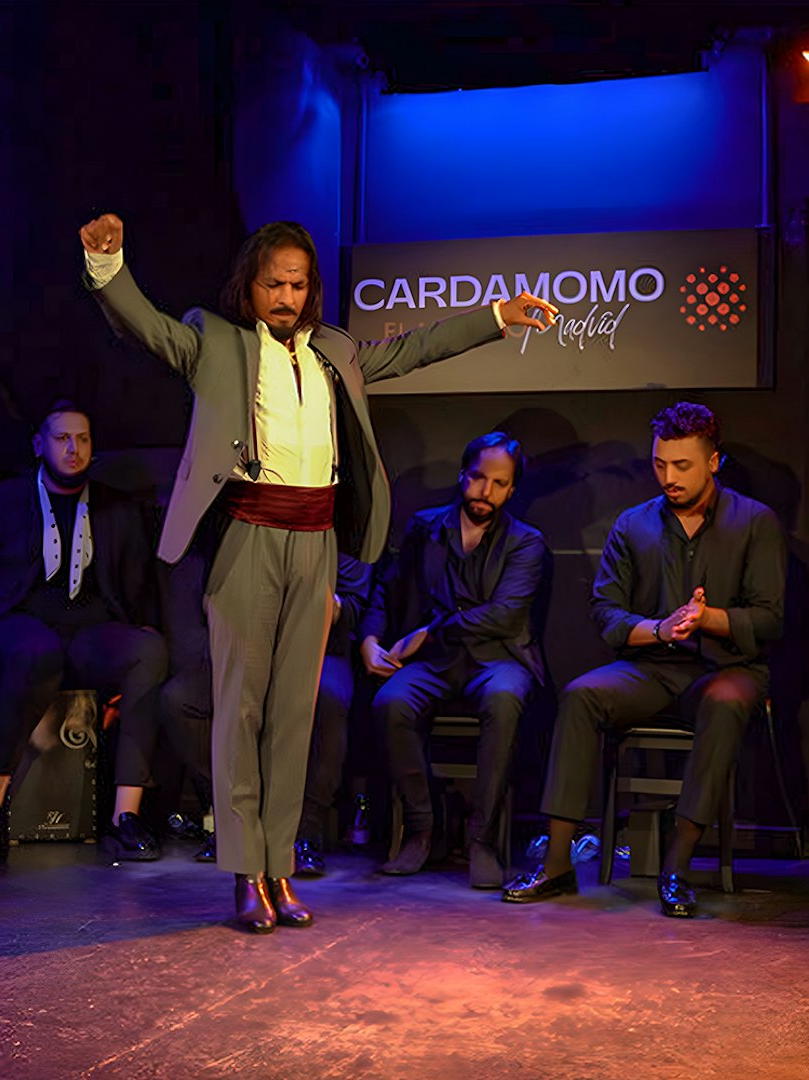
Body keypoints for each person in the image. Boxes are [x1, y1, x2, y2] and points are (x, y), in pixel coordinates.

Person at [79, 211, 557, 932]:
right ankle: (245, 873)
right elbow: (150, 329)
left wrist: (498, 317)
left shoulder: (333, 350)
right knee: (240, 708)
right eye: (274, 283)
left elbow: (416, 348)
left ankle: (278, 868)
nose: (286, 296)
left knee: (292, 714)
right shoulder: (217, 341)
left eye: (298, 284)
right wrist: (108, 267)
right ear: (251, 284)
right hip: (248, 535)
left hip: (315, 543)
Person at [503, 403, 785, 917]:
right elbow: (606, 612)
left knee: (724, 703)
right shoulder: (633, 525)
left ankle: (677, 867)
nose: (669, 477)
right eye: (660, 464)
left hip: (727, 668)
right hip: (654, 667)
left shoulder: (754, 523)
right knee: (582, 695)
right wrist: (658, 627)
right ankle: (557, 863)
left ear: (713, 462)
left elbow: (769, 620)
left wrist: (707, 618)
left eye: (682, 466)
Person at [0, 402, 172, 860]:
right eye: (63, 438)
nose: (74, 448)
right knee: (37, 650)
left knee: (148, 649)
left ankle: (124, 815)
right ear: (39, 445)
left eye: (83, 439)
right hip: (18, 630)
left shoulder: (116, 508)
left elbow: (138, 591)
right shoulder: (2, 502)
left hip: (89, 633)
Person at [362, 432, 545, 888]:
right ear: (463, 474)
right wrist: (370, 637)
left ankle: (482, 838)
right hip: (437, 663)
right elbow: (386, 587)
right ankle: (423, 830)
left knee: (504, 699)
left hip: (497, 659)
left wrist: (427, 632)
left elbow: (504, 615)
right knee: (391, 702)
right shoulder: (426, 528)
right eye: (479, 477)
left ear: (512, 489)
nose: (486, 491)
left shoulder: (526, 543)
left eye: (499, 483)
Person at [293, 553, 373, 877]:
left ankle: (307, 832)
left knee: (329, 697)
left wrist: (328, 600)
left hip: (325, 647)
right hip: (263, 643)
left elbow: (353, 608)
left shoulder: (344, 540)